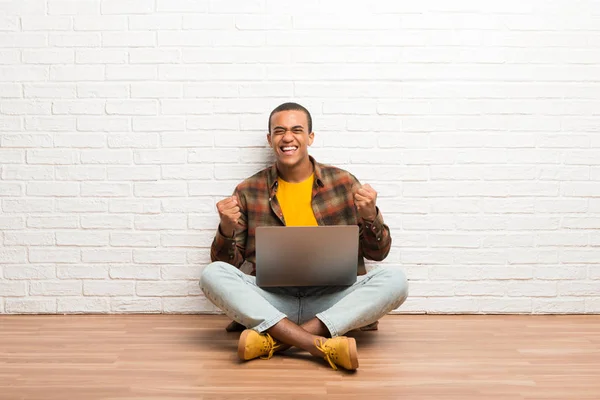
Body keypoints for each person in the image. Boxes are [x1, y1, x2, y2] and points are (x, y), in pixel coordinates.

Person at [199, 102, 408, 371]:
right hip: (274, 300)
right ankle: (319, 345)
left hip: (332, 300)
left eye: (297, 130)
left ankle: (276, 341)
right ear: (269, 139)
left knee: (396, 279)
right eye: (279, 131)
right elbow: (227, 266)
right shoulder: (248, 190)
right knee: (212, 274)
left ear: (310, 137)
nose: (288, 137)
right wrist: (227, 228)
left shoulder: (343, 183)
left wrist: (370, 216)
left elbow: (379, 253)